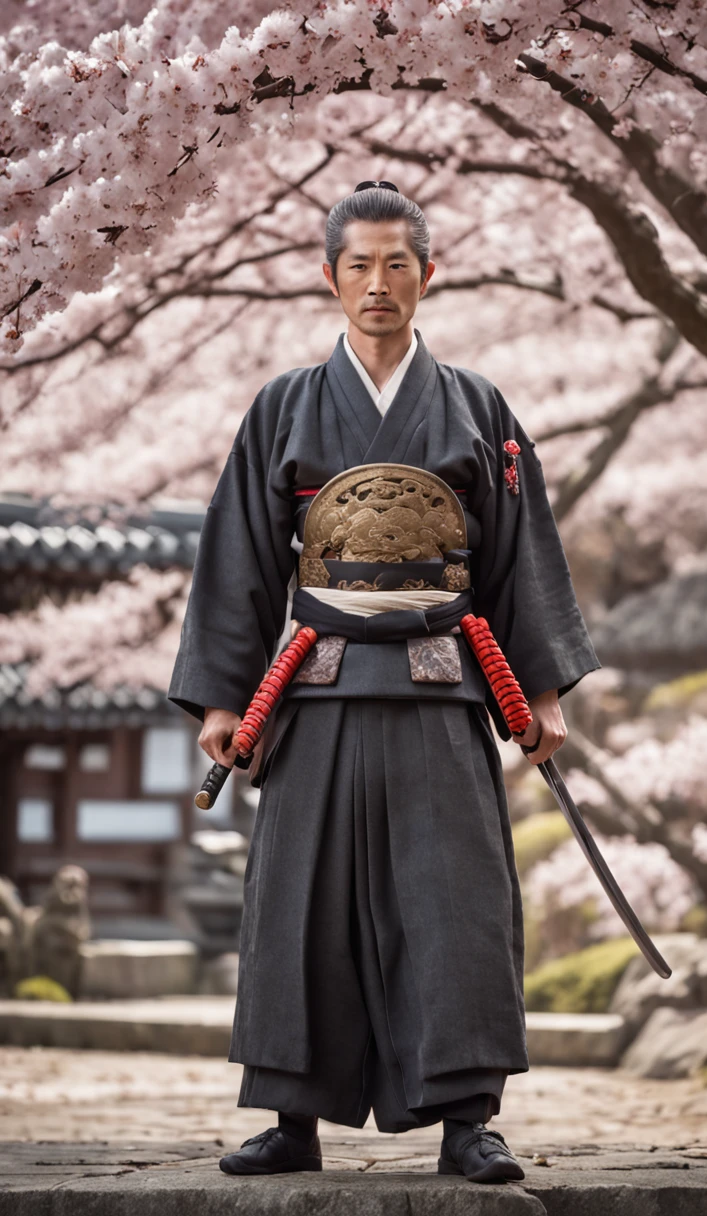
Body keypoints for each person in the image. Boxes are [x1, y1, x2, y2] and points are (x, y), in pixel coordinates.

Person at [168, 180, 601, 1184]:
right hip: (313, 690)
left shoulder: (476, 405)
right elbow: (239, 560)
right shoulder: (283, 405)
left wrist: (539, 693)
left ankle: (466, 1122)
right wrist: (226, 701)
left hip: (440, 682)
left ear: (427, 274)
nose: (377, 284)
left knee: (455, 901)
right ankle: (292, 1118)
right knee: (298, 902)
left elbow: (514, 555)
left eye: (396, 263)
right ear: (328, 278)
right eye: (357, 265)